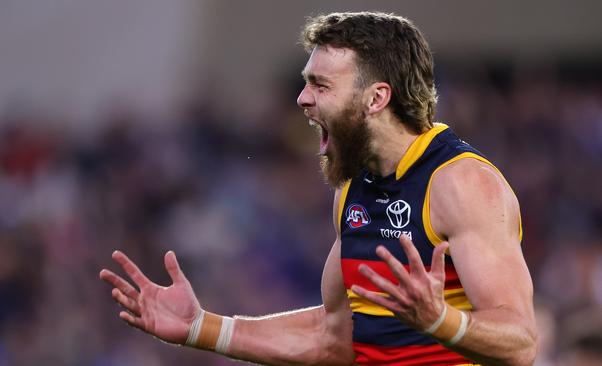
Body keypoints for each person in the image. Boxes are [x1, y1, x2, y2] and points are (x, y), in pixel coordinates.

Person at [99, 11, 538, 365]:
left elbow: (520, 342)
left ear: (376, 98)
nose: (302, 99)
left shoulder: (461, 184)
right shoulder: (353, 190)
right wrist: (202, 327)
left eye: (320, 84)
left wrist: (442, 320)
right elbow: (334, 338)